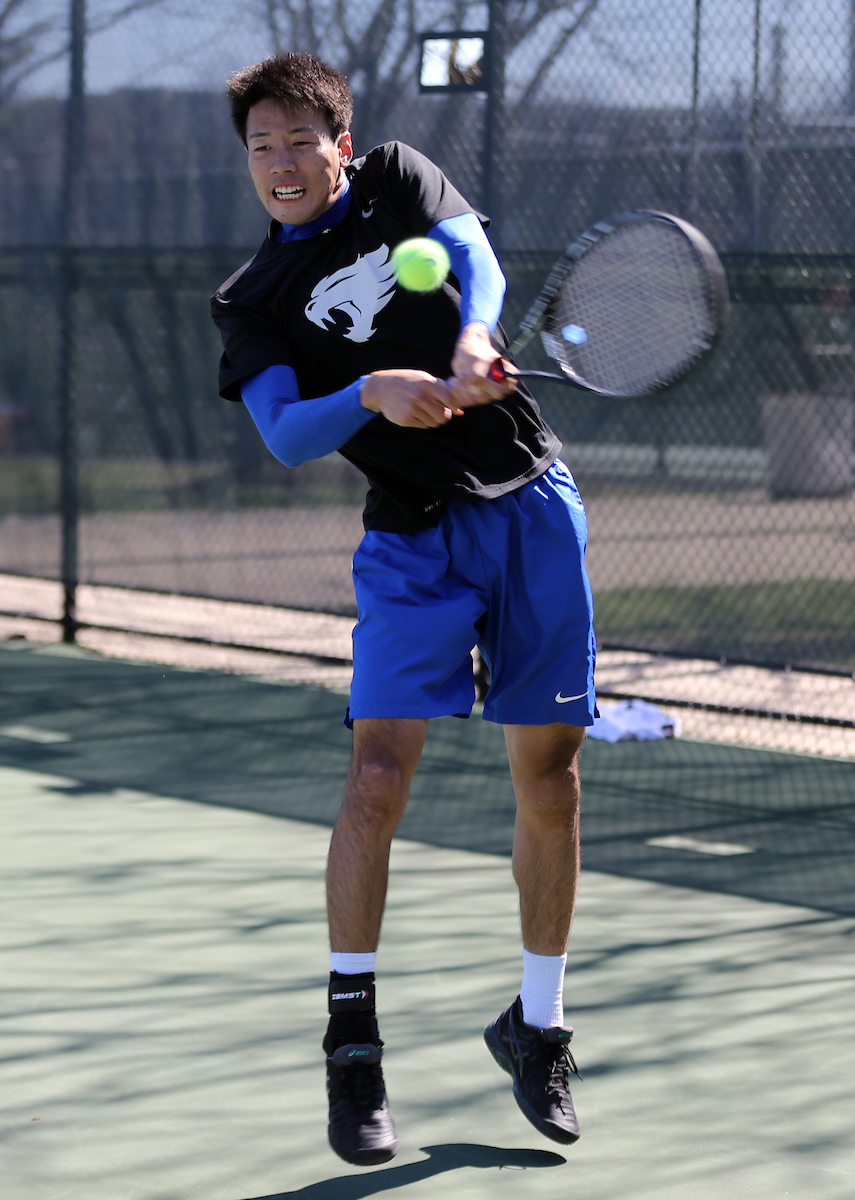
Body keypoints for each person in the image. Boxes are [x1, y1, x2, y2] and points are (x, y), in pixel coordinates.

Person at [211, 51, 595, 1168]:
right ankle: (352, 1045)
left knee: (551, 781)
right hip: (410, 535)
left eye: (298, 141)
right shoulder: (251, 302)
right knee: (377, 775)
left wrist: (475, 340)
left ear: (341, 143)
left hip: (529, 503)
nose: (280, 164)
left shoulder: (397, 179)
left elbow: (475, 260)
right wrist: (370, 393)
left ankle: (538, 1024)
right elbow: (286, 435)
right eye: (260, 148)